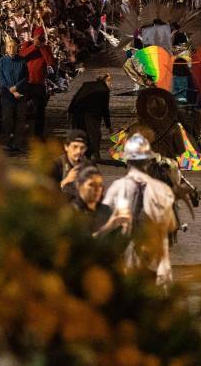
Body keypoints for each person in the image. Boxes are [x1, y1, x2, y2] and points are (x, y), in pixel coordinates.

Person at [99, 135, 177, 285]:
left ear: (127, 161)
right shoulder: (162, 190)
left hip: (125, 261)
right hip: (156, 259)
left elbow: (104, 222)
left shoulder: (117, 187)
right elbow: (171, 225)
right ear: (148, 162)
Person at [67, 73, 113, 160]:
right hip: (93, 114)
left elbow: (75, 97)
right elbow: (105, 108)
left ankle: (82, 153)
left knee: (81, 132)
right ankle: (95, 153)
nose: (111, 85)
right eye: (110, 82)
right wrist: (108, 126)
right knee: (95, 134)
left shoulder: (87, 84)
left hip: (78, 111)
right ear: (106, 81)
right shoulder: (104, 90)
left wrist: (70, 111)